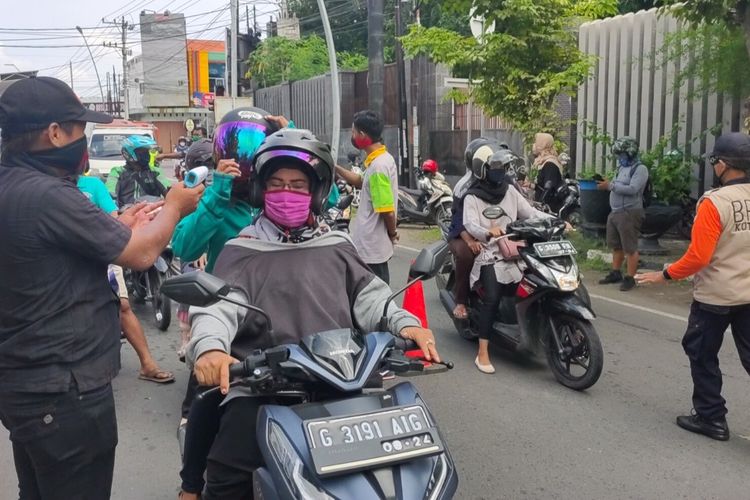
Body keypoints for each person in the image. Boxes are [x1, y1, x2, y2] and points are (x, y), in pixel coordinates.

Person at [184, 128, 439, 499]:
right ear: (261, 191)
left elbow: (371, 299)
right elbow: (219, 309)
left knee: (398, 468)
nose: (286, 193)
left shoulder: (336, 245)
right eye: (276, 184)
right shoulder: (243, 250)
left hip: (342, 380)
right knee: (227, 474)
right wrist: (209, 347)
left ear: (316, 192)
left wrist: (407, 325)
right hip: (262, 386)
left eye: (298, 185)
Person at [0, 76, 203, 500]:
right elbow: (143, 256)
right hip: (64, 393)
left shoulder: (13, 184)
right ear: (55, 133)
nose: (84, 140)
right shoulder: (49, 195)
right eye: (78, 128)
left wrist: (117, 225)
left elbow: (54, 248)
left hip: (27, 386)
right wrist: (175, 206)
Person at [636, 132, 750, 441]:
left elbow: (699, 256)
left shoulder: (715, 203)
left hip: (716, 295)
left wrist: (666, 275)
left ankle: (711, 418)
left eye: (715, 161)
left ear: (723, 165)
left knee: (701, 352)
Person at [78, 173, 175, 384]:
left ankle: (148, 364)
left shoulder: (92, 185)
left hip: (103, 255)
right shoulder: (118, 173)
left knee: (122, 305)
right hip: (70, 266)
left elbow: (112, 215)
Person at [463, 145, 552, 374]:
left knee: (540, 284)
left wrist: (554, 220)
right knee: (492, 297)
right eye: (495, 167)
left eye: (503, 167)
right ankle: (482, 353)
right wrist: (487, 232)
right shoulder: (471, 196)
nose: (500, 172)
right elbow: (470, 223)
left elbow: (530, 212)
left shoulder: (510, 191)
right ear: (482, 170)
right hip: (491, 253)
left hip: (515, 249)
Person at [336, 110, 399, 284]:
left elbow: (387, 211)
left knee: (375, 296)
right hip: (371, 246)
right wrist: (335, 167)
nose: (352, 135)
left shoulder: (378, 167)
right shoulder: (381, 159)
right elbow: (359, 181)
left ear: (363, 135)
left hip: (372, 247)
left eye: (353, 132)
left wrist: (393, 234)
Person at [446, 137, 495, 320]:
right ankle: (461, 301)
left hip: (489, 230)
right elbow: (459, 219)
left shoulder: (499, 180)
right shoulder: (463, 186)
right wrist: (469, 240)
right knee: (467, 254)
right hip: (461, 233)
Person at [597, 136, 649, 292]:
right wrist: (607, 184)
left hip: (629, 212)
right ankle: (615, 272)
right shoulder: (621, 168)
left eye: (622, 155)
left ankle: (630, 277)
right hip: (615, 212)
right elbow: (616, 185)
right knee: (616, 245)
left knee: (630, 247)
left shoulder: (640, 169)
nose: (620, 158)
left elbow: (633, 190)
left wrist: (610, 186)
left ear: (630, 153)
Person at [106, 135, 172, 207]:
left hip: (153, 212)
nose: (147, 156)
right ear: (129, 153)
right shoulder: (117, 172)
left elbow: (169, 190)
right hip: (126, 213)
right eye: (143, 153)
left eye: (148, 152)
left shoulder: (155, 171)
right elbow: (110, 194)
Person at [529, 133, 565, 211]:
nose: (534, 145)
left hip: (549, 208)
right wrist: (530, 185)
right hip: (541, 205)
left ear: (543, 144)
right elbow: (541, 185)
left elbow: (549, 188)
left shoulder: (550, 164)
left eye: (536, 142)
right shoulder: (541, 161)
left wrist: (540, 206)